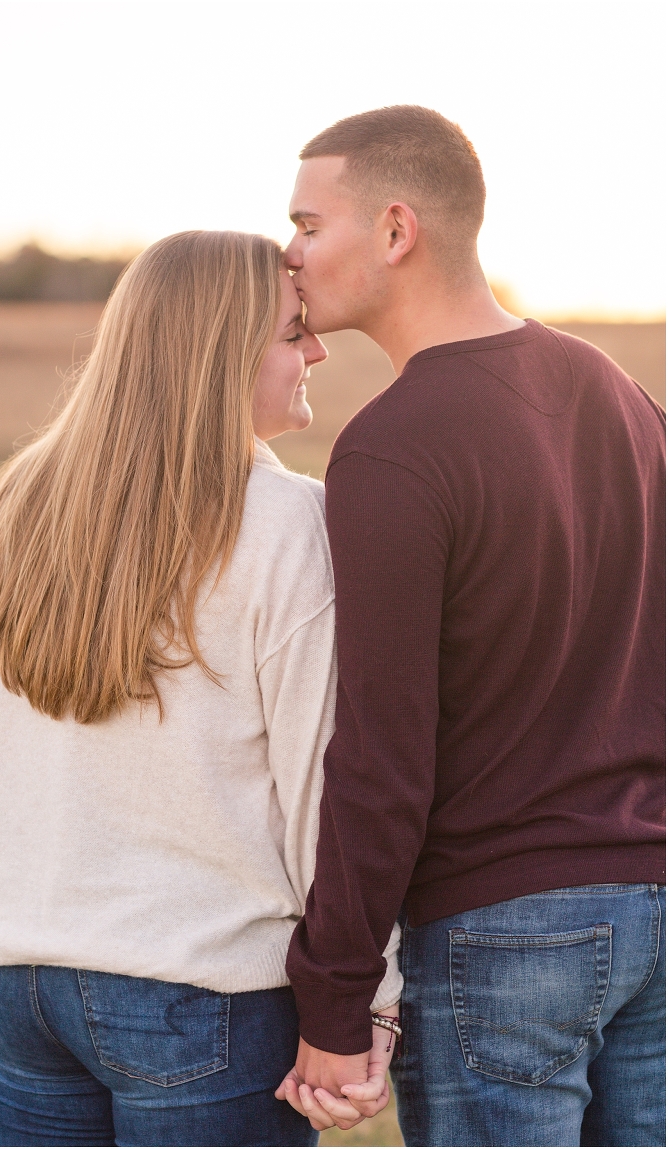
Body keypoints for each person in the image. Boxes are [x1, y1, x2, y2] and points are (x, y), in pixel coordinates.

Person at [0, 229, 403, 1148]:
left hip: (20, 975)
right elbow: (329, 787)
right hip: (198, 990)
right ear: (220, 352)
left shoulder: (15, 504)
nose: (317, 350)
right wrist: (365, 1002)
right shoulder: (284, 523)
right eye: (292, 332)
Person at [276, 106, 666, 1147]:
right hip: (653, 908)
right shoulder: (622, 396)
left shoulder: (392, 450)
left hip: (505, 936)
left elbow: (382, 754)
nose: (290, 253)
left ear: (397, 230)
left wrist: (334, 993)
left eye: (309, 224)